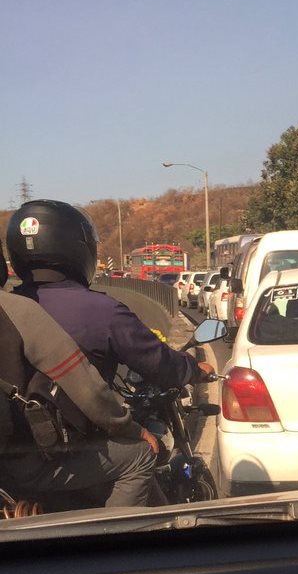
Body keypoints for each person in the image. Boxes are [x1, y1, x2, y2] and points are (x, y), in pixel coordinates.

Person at [6, 199, 214, 389]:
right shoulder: (102, 311)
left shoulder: (8, 306)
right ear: (79, 248)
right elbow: (158, 363)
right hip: (86, 427)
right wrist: (193, 369)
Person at [0, 265, 158, 509]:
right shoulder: (16, 310)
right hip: (17, 464)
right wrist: (130, 428)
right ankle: (110, 541)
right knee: (140, 456)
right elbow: (88, 391)